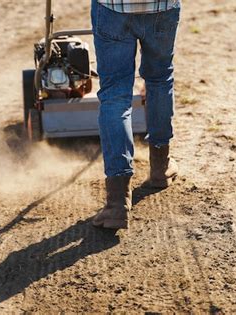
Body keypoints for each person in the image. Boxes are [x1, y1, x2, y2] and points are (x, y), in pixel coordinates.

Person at [91, 0, 181, 230]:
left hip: (113, 8)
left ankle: (117, 202)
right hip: (162, 7)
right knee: (160, 80)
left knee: (115, 96)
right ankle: (161, 168)